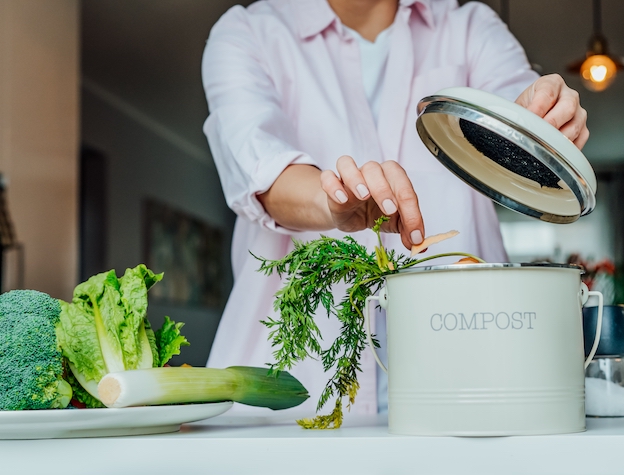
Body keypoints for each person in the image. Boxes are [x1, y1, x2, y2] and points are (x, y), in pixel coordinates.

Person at [202, 0, 589, 416]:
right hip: (296, 395)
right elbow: (261, 170)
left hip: (470, 387)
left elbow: (516, 111)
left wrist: (541, 114)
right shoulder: (249, 32)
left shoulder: (468, 28)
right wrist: (332, 201)